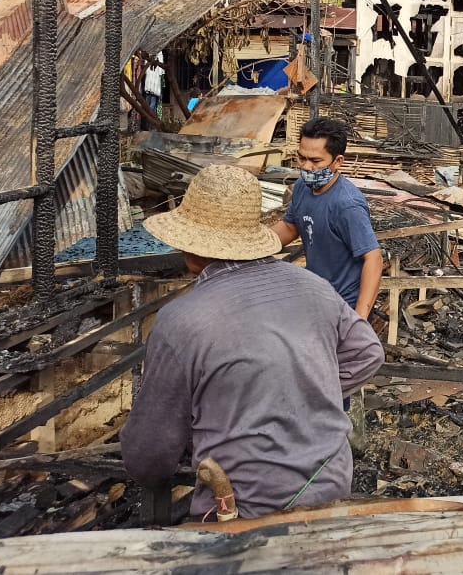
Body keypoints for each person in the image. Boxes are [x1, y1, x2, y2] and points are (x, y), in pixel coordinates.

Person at [122, 165, 385, 520]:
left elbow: (148, 456)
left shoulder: (181, 321)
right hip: (331, 481)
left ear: (189, 247)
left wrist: (263, 404)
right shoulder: (314, 287)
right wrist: (303, 394)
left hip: (244, 503)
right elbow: (367, 353)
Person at [273, 117, 383, 321]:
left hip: (341, 305)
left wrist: (359, 318)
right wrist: (256, 246)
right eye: (301, 158)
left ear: (337, 161)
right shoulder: (302, 188)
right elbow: (290, 226)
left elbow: (373, 258)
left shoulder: (346, 204)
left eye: (315, 161)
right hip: (316, 295)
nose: (306, 167)